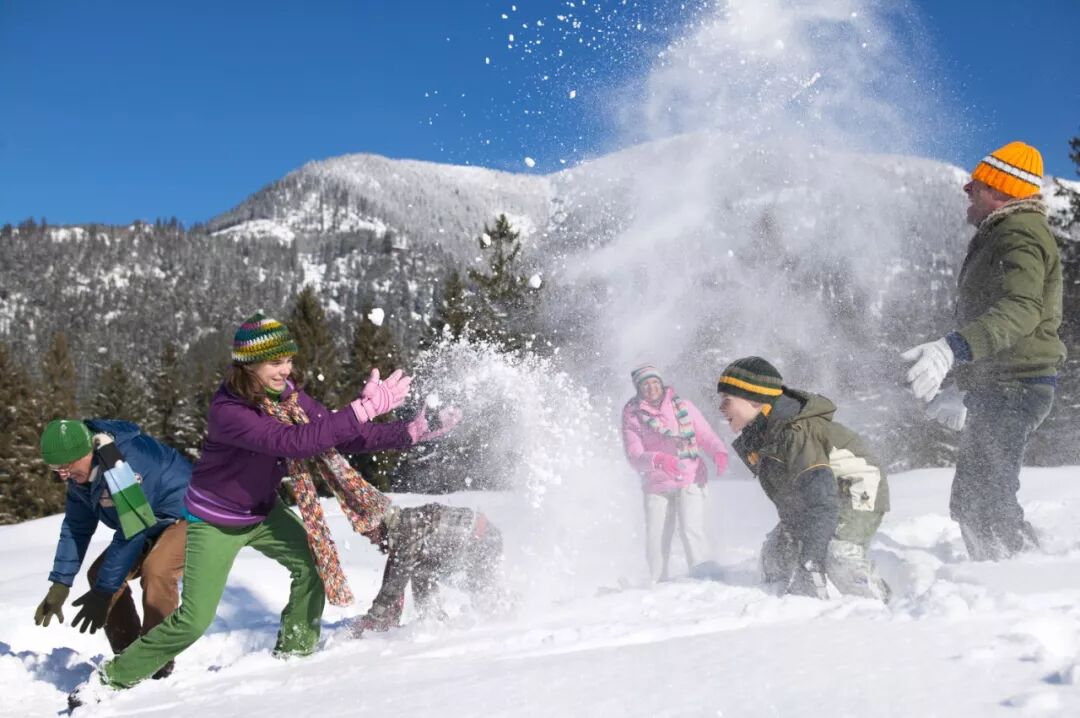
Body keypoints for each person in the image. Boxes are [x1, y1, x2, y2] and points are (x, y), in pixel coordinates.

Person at [73, 312, 449, 701]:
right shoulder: (229, 411)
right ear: (247, 363)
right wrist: (360, 409)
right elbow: (296, 443)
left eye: (288, 360)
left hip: (262, 511)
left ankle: (296, 654)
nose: (285, 369)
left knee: (312, 567)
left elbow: (337, 435)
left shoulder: (287, 395)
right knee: (193, 621)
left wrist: (408, 432)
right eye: (275, 362)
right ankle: (111, 679)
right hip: (215, 519)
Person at [901, 141, 1065, 561]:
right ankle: (1019, 568)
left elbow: (1021, 309)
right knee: (974, 501)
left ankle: (1019, 582)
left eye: (977, 185)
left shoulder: (1020, 234)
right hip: (1001, 385)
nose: (967, 190)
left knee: (986, 501)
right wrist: (966, 384)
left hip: (1017, 386)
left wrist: (953, 349)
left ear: (1000, 190)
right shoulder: (1004, 233)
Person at [717, 357, 889, 601]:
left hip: (857, 489)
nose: (720, 408)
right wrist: (793, 537)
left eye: (727, 400)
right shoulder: (765, 437)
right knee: (777, 554)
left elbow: (822, 502)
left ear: (755, 400)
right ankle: (773, 606)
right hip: (820, 497)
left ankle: (879, 610)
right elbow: (792, 496)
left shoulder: (796, 434)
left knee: (837, 554)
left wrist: (811, 563)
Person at [35, 418, 190, 680]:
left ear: (85, 452)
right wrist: (60, 584)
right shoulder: (80, 479)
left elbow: (132, 530)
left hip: (188, 515)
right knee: (99, 576)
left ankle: (156, 659)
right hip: (148, 524)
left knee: (158, 570)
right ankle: (129, 658)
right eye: (55, 469)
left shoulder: (129, 462)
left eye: (66, 466)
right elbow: (76, 527)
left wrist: (104, 592)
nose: (62, 475)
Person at [621, 364, 728, 583]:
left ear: (661, 384)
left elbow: (704, 434)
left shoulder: (682, 406)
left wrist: (718, 451)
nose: (651, 388)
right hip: (656, 482)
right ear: (638, 388)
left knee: (691, 528)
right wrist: (658, 460)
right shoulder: (632, 415)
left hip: (690, 475)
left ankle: (703, 575)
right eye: (645, 384)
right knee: (657, 536)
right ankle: (657, 580)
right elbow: (634, 456)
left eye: (655, 382)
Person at [353, 502, 505, 634]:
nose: (372, 541)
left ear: (380, 525)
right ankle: (433, 619)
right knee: (421, 571)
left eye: (370, 535)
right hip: (479, 538)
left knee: (486, 599)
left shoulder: (407, 528)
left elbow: (397, 581)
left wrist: (372, 618)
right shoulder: (407, 524)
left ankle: (511, 621)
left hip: (483, 539)